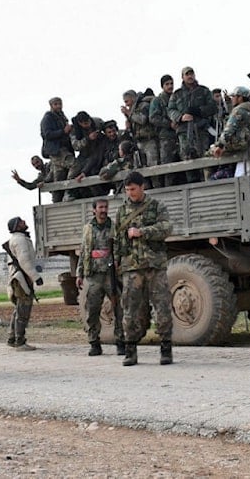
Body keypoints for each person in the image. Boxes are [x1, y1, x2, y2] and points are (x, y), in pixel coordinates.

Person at [114, 171, 173, 366]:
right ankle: (130, 350)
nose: (130, 193)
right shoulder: (122, 211)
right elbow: (117, 240)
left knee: (162, 307)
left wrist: (143, 232)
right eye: (128, 190)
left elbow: (167, 228)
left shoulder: (156, 206)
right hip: (131, 268)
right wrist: (117, 262)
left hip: (155, 265)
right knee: (130, 309)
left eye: (133, 189)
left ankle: (166, 348)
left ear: (142, 187)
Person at [76, 199, 126, 356]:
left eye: (105, 207)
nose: (103, 210)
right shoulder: (88, 229)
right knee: (92, 309)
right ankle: (94, 343)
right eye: (100, 207)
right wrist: (79, 273)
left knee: (119, 309)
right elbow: (83, 251)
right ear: (94, 210)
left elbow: (121, 247)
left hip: (111, 275)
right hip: (94, 276)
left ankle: (120, 342)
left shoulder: (114, 227)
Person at [5, 216, 41, 351]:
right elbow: (24, 261)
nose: (24, 222)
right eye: (21, 222)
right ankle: (19, 341)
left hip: (20, 277)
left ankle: (12, 338)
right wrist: (36, 277)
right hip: (21, 278)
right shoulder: (20, 240)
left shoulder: (19, 239)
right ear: (16, 226)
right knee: (23, 310)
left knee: (19, 309)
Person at [168, 66, 216, 166]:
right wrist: (180, 117)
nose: (190, 76)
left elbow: (213, 107)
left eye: (191, 74)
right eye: (187, 74)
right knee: (187, 159)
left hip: (201, 129)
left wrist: (199, 111)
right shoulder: (177, 94)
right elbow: (171, 110)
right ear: (182, 77)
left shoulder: (204, 91)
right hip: (185, 131)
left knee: (205, 158)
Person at [40, 97, 75, 202]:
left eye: (60, 104)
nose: (58, 106)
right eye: (56, 104)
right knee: (74, 165)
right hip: (57, 150)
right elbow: (47, 134)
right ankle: (69, 191)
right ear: (51, 105)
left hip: (63, 149)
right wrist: (63, 131)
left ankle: (57, 201)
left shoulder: (61, 117)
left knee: (59, 176)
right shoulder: (48, 118)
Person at [209, 87, 250, 159]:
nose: (232, 98)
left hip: (239, 143)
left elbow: (229, 130)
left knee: (209, 152)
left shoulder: (239, 110)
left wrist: (219, 145)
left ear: (240, 98)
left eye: (233, 96)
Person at [148, 74, 179, 186]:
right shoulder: (158, 100)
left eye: (171, 83)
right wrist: (169, 124)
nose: (170, 86)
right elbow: (153, 118)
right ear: (162, 86)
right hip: (166, 137)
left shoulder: (177, 98)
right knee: (168, 167)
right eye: (167, 84)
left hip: (179, 136)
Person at [123, 89, 158, 181]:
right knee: (141, 167)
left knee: (152, 166)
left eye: (127, 101)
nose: (126, 105)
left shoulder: (143, 105)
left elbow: (142, 120)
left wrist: (129, 114)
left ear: (133, 98)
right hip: (139, 142)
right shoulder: (132, 110)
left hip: (149, 140)